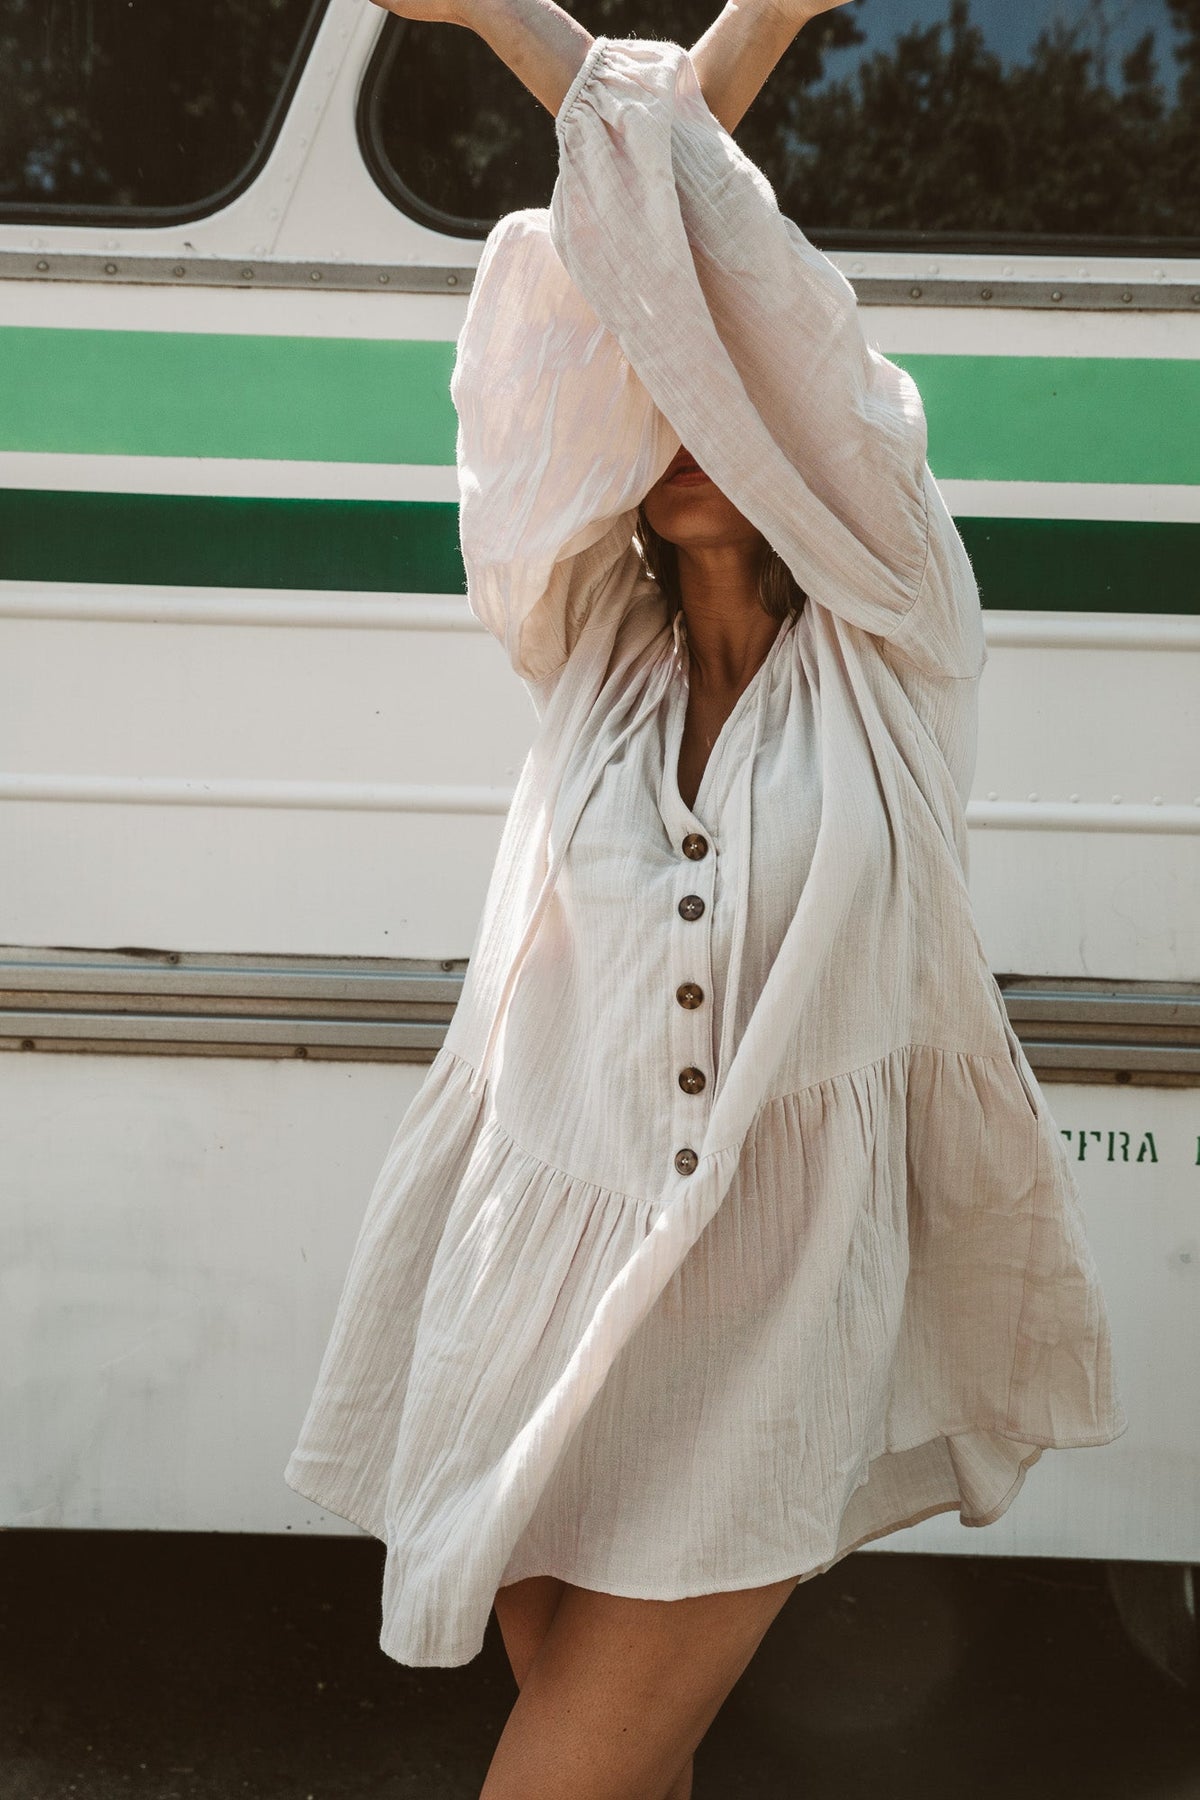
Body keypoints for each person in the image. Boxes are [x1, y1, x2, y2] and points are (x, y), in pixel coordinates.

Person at [284, 4, 1129, 1796]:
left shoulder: (899, 633)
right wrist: (680, 73)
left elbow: (760, 309)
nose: (676, 412)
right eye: (650, 389)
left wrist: (550, 30)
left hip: (765, 1319)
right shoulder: (591, 647)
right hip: (537, 1280)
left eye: (714, 387)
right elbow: (575, 320)